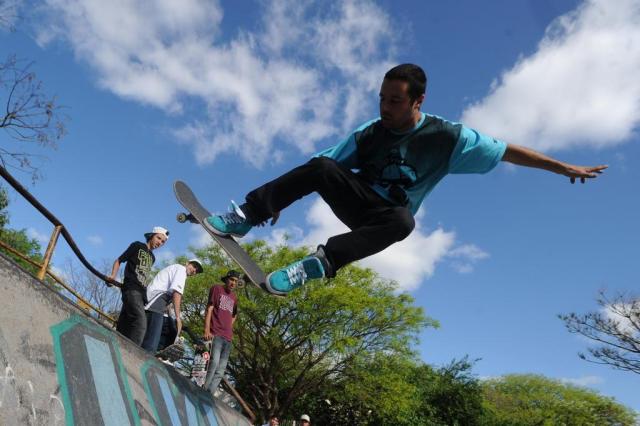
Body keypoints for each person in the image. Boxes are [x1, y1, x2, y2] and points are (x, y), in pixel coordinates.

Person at [204, 63, 607, 296]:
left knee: (404, 222)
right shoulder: (371, 131)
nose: (385, 108)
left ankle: (317, 265)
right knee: (322, 168)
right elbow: (323, 164)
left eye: (395, 101)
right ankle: (246, 216)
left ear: (418, 101)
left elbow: (508, 151)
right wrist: (276, 201)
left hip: (383, 217)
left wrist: (563, 167)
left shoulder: (449, 137)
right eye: (381, 98)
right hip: (356, 199)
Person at [110, 226, 169, 345]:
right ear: (152, 236)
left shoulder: (152, 258)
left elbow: (144, 275)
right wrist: (112, 276)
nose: (160, 243)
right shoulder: (137, 246)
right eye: (158, 238)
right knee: (141, 323)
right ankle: (132, 355)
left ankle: (116, 347)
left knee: (124, 327)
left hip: (141, 295)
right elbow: (119, 260)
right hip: (131, 289)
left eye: (163, 242)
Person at [141, 259, 204, 353]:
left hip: (157, 303)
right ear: (187, 263)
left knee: (170, 328)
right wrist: (178, 318)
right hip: (156, 302)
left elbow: (170, 296)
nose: (195, 270)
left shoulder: (176, 269)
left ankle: (161, 350)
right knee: (151, 343)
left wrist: (171, 314)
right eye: (194, 266)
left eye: (197, 271)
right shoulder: (181, 270)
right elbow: (177, 294)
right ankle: (150, 351)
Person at [203, 269, 239, 395]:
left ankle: (209, 395)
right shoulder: (217, 289)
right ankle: (203, 390)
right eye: (232, 280)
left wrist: (229, 325)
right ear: (227, 279)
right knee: (213, 363)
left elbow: (234, 315)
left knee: (221, 370)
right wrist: (207, 329)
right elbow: (209, 308)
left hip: (228, 337)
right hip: (216, 334)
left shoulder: (234, 298)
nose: (233, 283)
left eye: (236, 281)